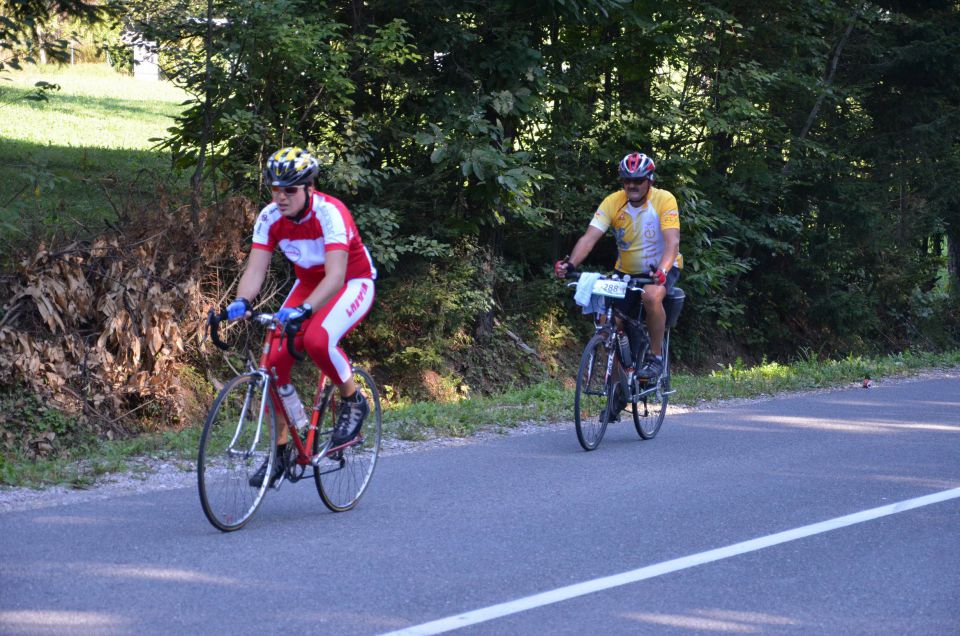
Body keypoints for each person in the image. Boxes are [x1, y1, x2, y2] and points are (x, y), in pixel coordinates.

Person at [225, 147, 377, 487]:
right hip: (309, 284)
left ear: (309, 187)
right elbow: (255, 268)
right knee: (273, 362)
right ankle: (282, 449)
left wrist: (306, 310)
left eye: (289, 189)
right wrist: (241, 301)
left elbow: (336, 277)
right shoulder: (269, 218)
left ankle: (353, 401)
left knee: (317, 339)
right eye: (275, 189)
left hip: (351, 282)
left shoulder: (330, 213)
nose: (281, 197)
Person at [554, 151, 680, 381]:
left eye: (638, 180)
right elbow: (589, 238)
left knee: (651, 297)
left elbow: (672, 242)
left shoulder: (664, 199)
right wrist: (570, 263)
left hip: (659, 269)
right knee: (607, 325)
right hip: (626, 271)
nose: (632, 185)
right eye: (626, 180)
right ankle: (618, 388)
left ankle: (655, 357)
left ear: (649, 180)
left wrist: (662, 271)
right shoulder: (613, 202)